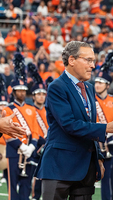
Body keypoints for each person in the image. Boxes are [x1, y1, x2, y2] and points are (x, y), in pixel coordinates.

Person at [35, 41, 113, 200]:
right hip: (59, 166)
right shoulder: (56, 87)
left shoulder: (89, 88)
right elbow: (69, 125)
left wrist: (98, 156)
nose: (93, 66)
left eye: (93, 61)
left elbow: (88, 123)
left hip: (86, 166)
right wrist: (106, 128)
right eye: (88, 60)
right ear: (71, 60)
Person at [3, 54, 40, 200]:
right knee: (13, 187)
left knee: (26, 187)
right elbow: (6, 133)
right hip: (13, 152)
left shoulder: (32, 108)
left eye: (24, 90)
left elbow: (35, 130)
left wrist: (31, 146)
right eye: (19, 90)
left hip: (28, 153)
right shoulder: (7, 109)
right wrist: (21, 146)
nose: (22, 93)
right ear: (13, 92)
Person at [94, 73, 113, 200]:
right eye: (96, 82)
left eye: (100, 82)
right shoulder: (91, 100)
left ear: (107, 85)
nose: (97, 85)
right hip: (95, 143)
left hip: (111, 144)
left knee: (110, 177)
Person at [29, 63, 50, 200]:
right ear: (33, 96)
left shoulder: (49, 109)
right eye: (39, 94)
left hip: (48, 147)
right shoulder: (29, 110)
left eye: (44, 94)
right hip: (34, 148)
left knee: (47, 180)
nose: (41, 97)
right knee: (34, 181)